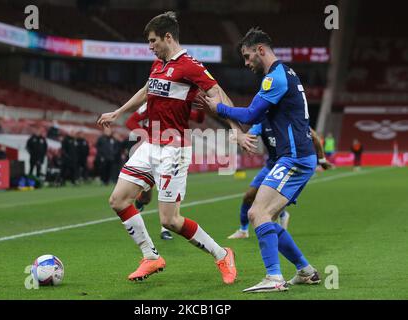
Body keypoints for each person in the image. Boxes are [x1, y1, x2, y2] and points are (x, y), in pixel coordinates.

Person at [97, 11, 237, 284]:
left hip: (174, 148)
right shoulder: (158, 64)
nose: (150, 47)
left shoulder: (190, 66)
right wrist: (119, 112)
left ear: (168, 37)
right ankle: (150, 256)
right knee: (118, 200)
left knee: (170, 221)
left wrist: (234, 128)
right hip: (151, 143)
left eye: (152, 41)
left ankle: (222, 254)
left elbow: (216, 92)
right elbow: (147, 90)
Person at [198, 27, 321, 292]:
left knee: (257, 212)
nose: (246, 62)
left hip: (295, 158)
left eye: (247, 55)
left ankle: (274, 278)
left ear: (260, 50)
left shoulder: (274, 78)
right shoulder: (286, 73)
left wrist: (217, 108)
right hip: (296, 156)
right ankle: (305, 270)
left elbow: (252, 114)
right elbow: (262, 116)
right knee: (268, 217)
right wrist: (243, 135)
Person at [227, 123, 332, 239]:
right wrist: (241, 138)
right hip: (271, 165)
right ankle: (243, 230)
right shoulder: (263, 122)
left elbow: (315, 137)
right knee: (248, 196)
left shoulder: (292, 119)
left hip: (289, 165)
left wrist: (322, 160)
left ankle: (278, 226)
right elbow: (250, 135)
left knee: (271, 206)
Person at [126, 103, 206, 240]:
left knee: (168, 189)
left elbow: (198, 118)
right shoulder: (150, 104)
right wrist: (148, 138)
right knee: (146, 197)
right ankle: (140, 202)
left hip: (172, 152)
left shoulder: (179, 105)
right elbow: (131, 121)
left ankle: (165, 227)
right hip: (151, 151)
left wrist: (202, 107)